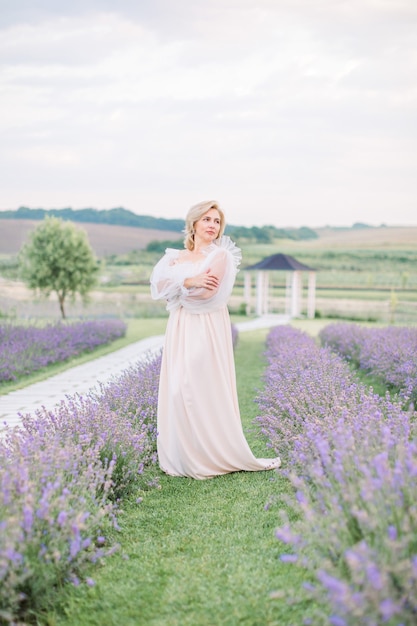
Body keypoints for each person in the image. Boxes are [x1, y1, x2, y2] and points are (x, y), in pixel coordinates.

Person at [150, 200, 281, 479]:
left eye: (217, 221)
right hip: (180, 326)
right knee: (176, 388)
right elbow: (158, 287)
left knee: (196, 384)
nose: (212, 225)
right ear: (194, 223)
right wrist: (187, 282)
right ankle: (185, 454)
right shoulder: (175, 257)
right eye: (207, 219)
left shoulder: (219, 257)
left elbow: (208, 296)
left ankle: (211, 453)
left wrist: (182, 289)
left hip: (206, 325)